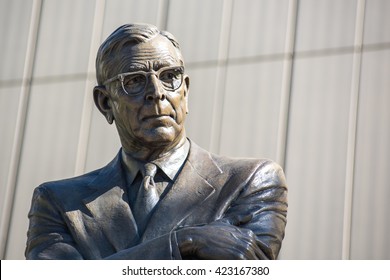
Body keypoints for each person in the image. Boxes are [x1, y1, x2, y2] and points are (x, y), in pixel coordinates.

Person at [25, 23, 288, 260]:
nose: (157, 93)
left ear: (184, 90)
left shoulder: (251, 180)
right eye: (135, 81)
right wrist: (184, 242)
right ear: (105, 103)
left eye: (169, 76)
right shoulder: (58, 201)